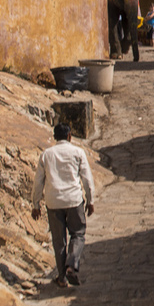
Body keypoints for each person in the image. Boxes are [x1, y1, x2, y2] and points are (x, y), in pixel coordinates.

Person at [30, 123, 95, 288]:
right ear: (69, 136)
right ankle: (71, 265)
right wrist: (91, 200)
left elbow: (38, 182)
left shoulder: (46, 155)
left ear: (54, 137)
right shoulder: (77, 152)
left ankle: (61, 277)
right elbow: (87, 178)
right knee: (78, 234)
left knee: (59, 241)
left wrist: (35, 204)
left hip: (53, 202)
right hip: (73, 200)